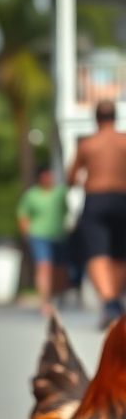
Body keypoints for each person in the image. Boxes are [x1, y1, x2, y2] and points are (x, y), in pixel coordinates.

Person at [66, 99, 126, 329]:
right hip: (123, 199)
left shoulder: (88, 144)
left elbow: (71, 178)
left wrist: (83, 178)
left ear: (96, 119)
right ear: (116, 117)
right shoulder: (124, 141)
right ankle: (115, 301)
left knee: (96, 252)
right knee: (121, 253)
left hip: (96, 199)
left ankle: (109, 302)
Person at [17, 166, 68, 317]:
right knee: (44, 266)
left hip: (58, 236)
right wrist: (26, 234)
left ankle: (56, 296)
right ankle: (45, 302)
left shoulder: (60, 193)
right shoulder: (32, 195)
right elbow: (23, 215)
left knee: (59, 269)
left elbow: (65, 211)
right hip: (38, 235)